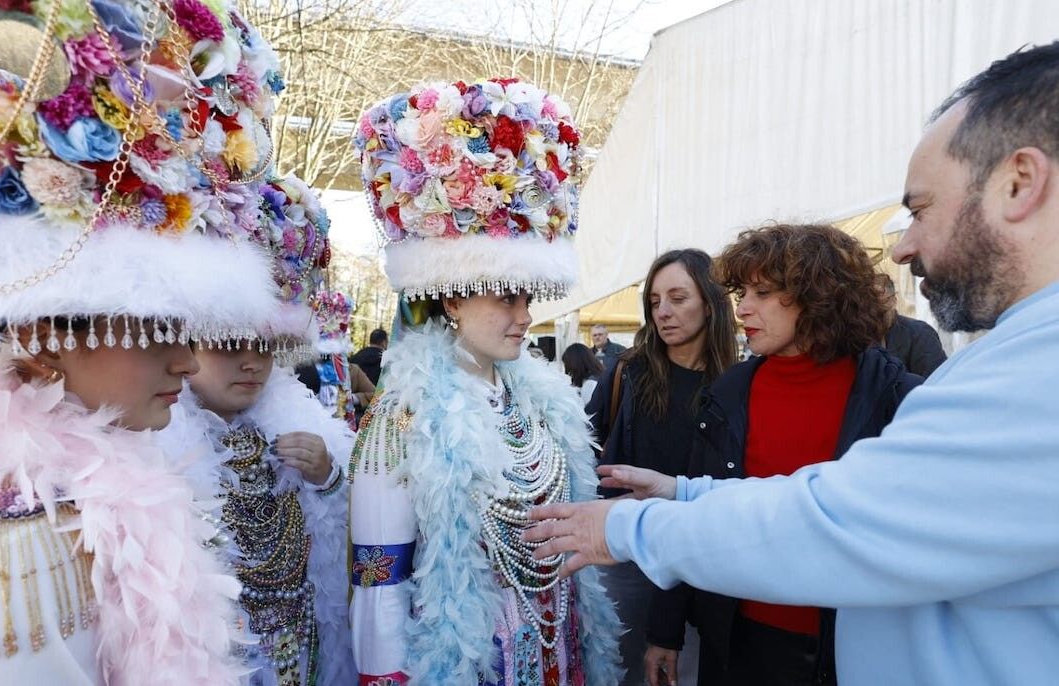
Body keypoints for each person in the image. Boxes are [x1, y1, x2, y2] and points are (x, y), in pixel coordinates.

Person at [524, 35, 1059, 684]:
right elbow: (847, 496)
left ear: (1020, 183)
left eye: (921, 210)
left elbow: (842, 520)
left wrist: (628, 527)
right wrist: (686, 491)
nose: (903, 250)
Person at [0, 0, 288, 677]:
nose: (187, 363)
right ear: (40, 342)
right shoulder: (20, 546)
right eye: (157, 331)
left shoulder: (74, 506)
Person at [347, 77, 622, 685]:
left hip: (559, 646)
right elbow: (378, 582)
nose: (524, 316)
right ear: (451, 298)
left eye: (528, 297)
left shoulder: (538, 400)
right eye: (505, 296)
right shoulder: (401, 417)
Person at [645, 224, 921, 686]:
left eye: (763, 292)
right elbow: (696, 513)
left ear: (818, 295)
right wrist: (665, 630)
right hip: (737, 639)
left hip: (849, 644)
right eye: (742, 291)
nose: (742, 307)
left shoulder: (893, 395)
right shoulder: (729, 392)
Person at [159, 180, 355, 685]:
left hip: (305, 641)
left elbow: (342, 546)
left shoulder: (291, 424)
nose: (251, 363)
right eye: (228, 344)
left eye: (264, 347)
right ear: (184, 348)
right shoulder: (156, 445)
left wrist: (327, 477)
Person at [585, 248, 736, 686]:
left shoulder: (732, 387)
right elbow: (587, 444)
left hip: (695, 562)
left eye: (677, 298)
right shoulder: (628, 372)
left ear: (710, 303)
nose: (664, 312)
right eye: (654, 302)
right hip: (624, 559)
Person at [874, 273, 947, 378]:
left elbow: (936, 382)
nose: (874, 310)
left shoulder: (920, 334)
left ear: (893, 301)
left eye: (881, 302)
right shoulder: (860, 336)